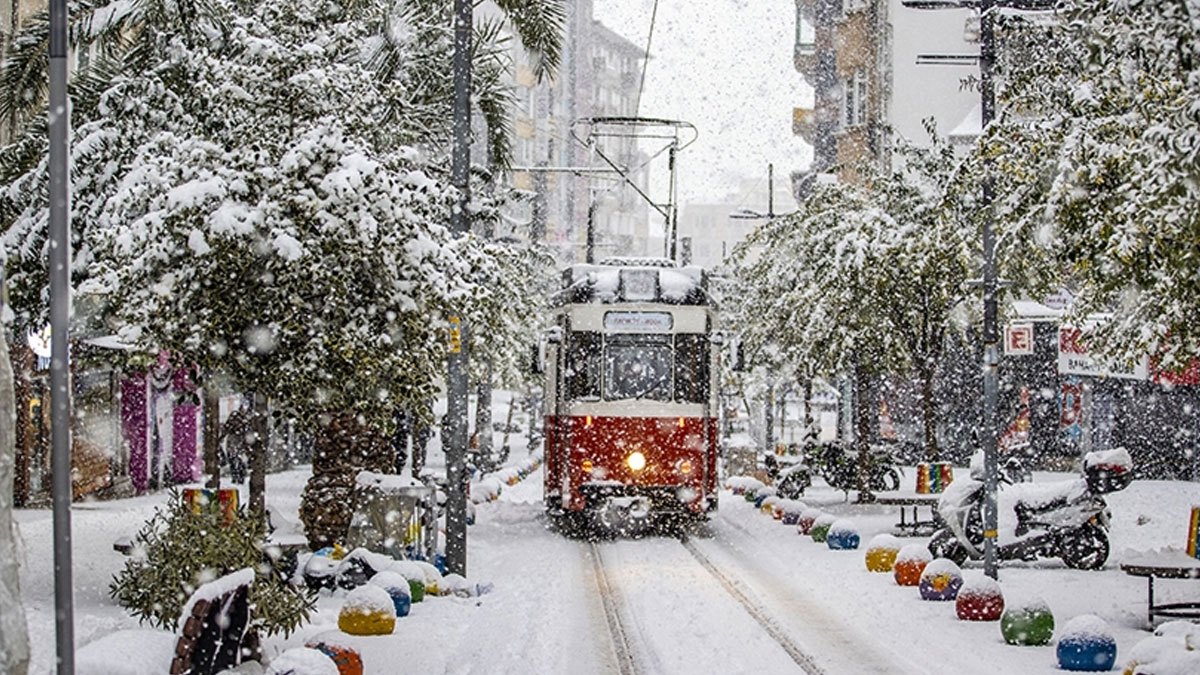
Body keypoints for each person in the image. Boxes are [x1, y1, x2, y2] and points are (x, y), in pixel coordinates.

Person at [219, 401, 254, 484]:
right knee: (233, 458)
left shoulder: (244, 418)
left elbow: (227, 427)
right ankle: (236, 476)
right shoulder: (237, 416)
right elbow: (227, 427)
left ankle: (239, 476)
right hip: (236, 439)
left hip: (241, 440)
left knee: (238, 459)